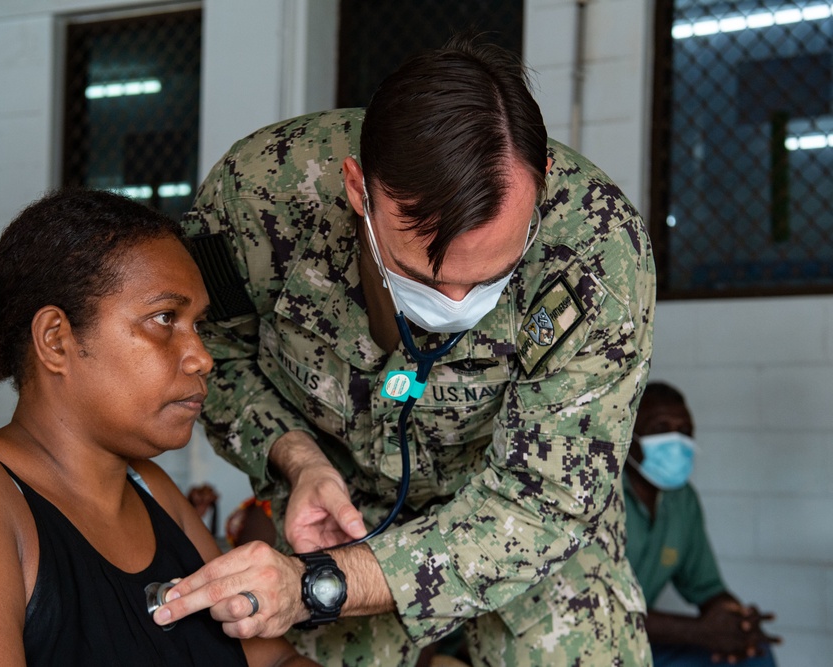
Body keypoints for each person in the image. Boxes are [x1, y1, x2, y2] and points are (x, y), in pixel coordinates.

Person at [156, 33, 656, 666]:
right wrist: (296, 458)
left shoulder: (597, 250)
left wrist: (322, 587)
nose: (456, 301)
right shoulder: (260, 198)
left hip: (528, 527)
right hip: (339, 515)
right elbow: (211, 356)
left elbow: (546, 502)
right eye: (423, 275)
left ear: (543, 180)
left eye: (492, 274)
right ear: (359, 191)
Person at [0, 189, 317, 667]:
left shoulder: (150, 490)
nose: (202, 357)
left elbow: (275, 662)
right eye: (164, 319)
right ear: (56, 340)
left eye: (197, 326)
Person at [625, 381, 781, 666]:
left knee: (753, 655)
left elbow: (707, 588)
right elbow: (591, 608)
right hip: (584, 645)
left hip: (643, 645)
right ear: (627, 433)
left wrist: (736, 623)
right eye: (661, 428)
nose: (676, 440)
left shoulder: (682, 501)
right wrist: (698, 632)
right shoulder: (596, 498)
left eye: (684, 432)